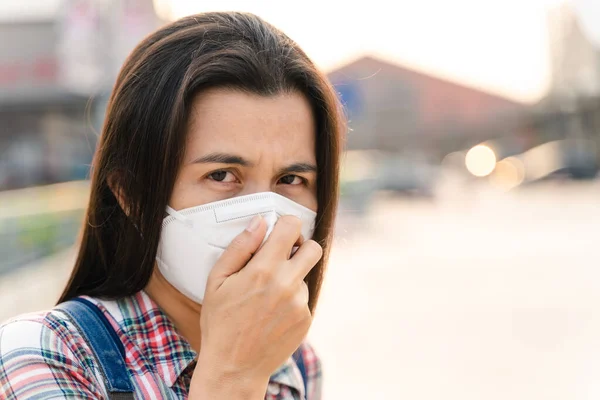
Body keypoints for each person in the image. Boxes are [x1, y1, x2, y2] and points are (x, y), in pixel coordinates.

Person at [0, 12, 342, 400]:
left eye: (291, 180)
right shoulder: (45, 356)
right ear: (129, 192)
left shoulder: (295, 366)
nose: (266, 218)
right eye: (221, 175)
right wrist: (233, 376)